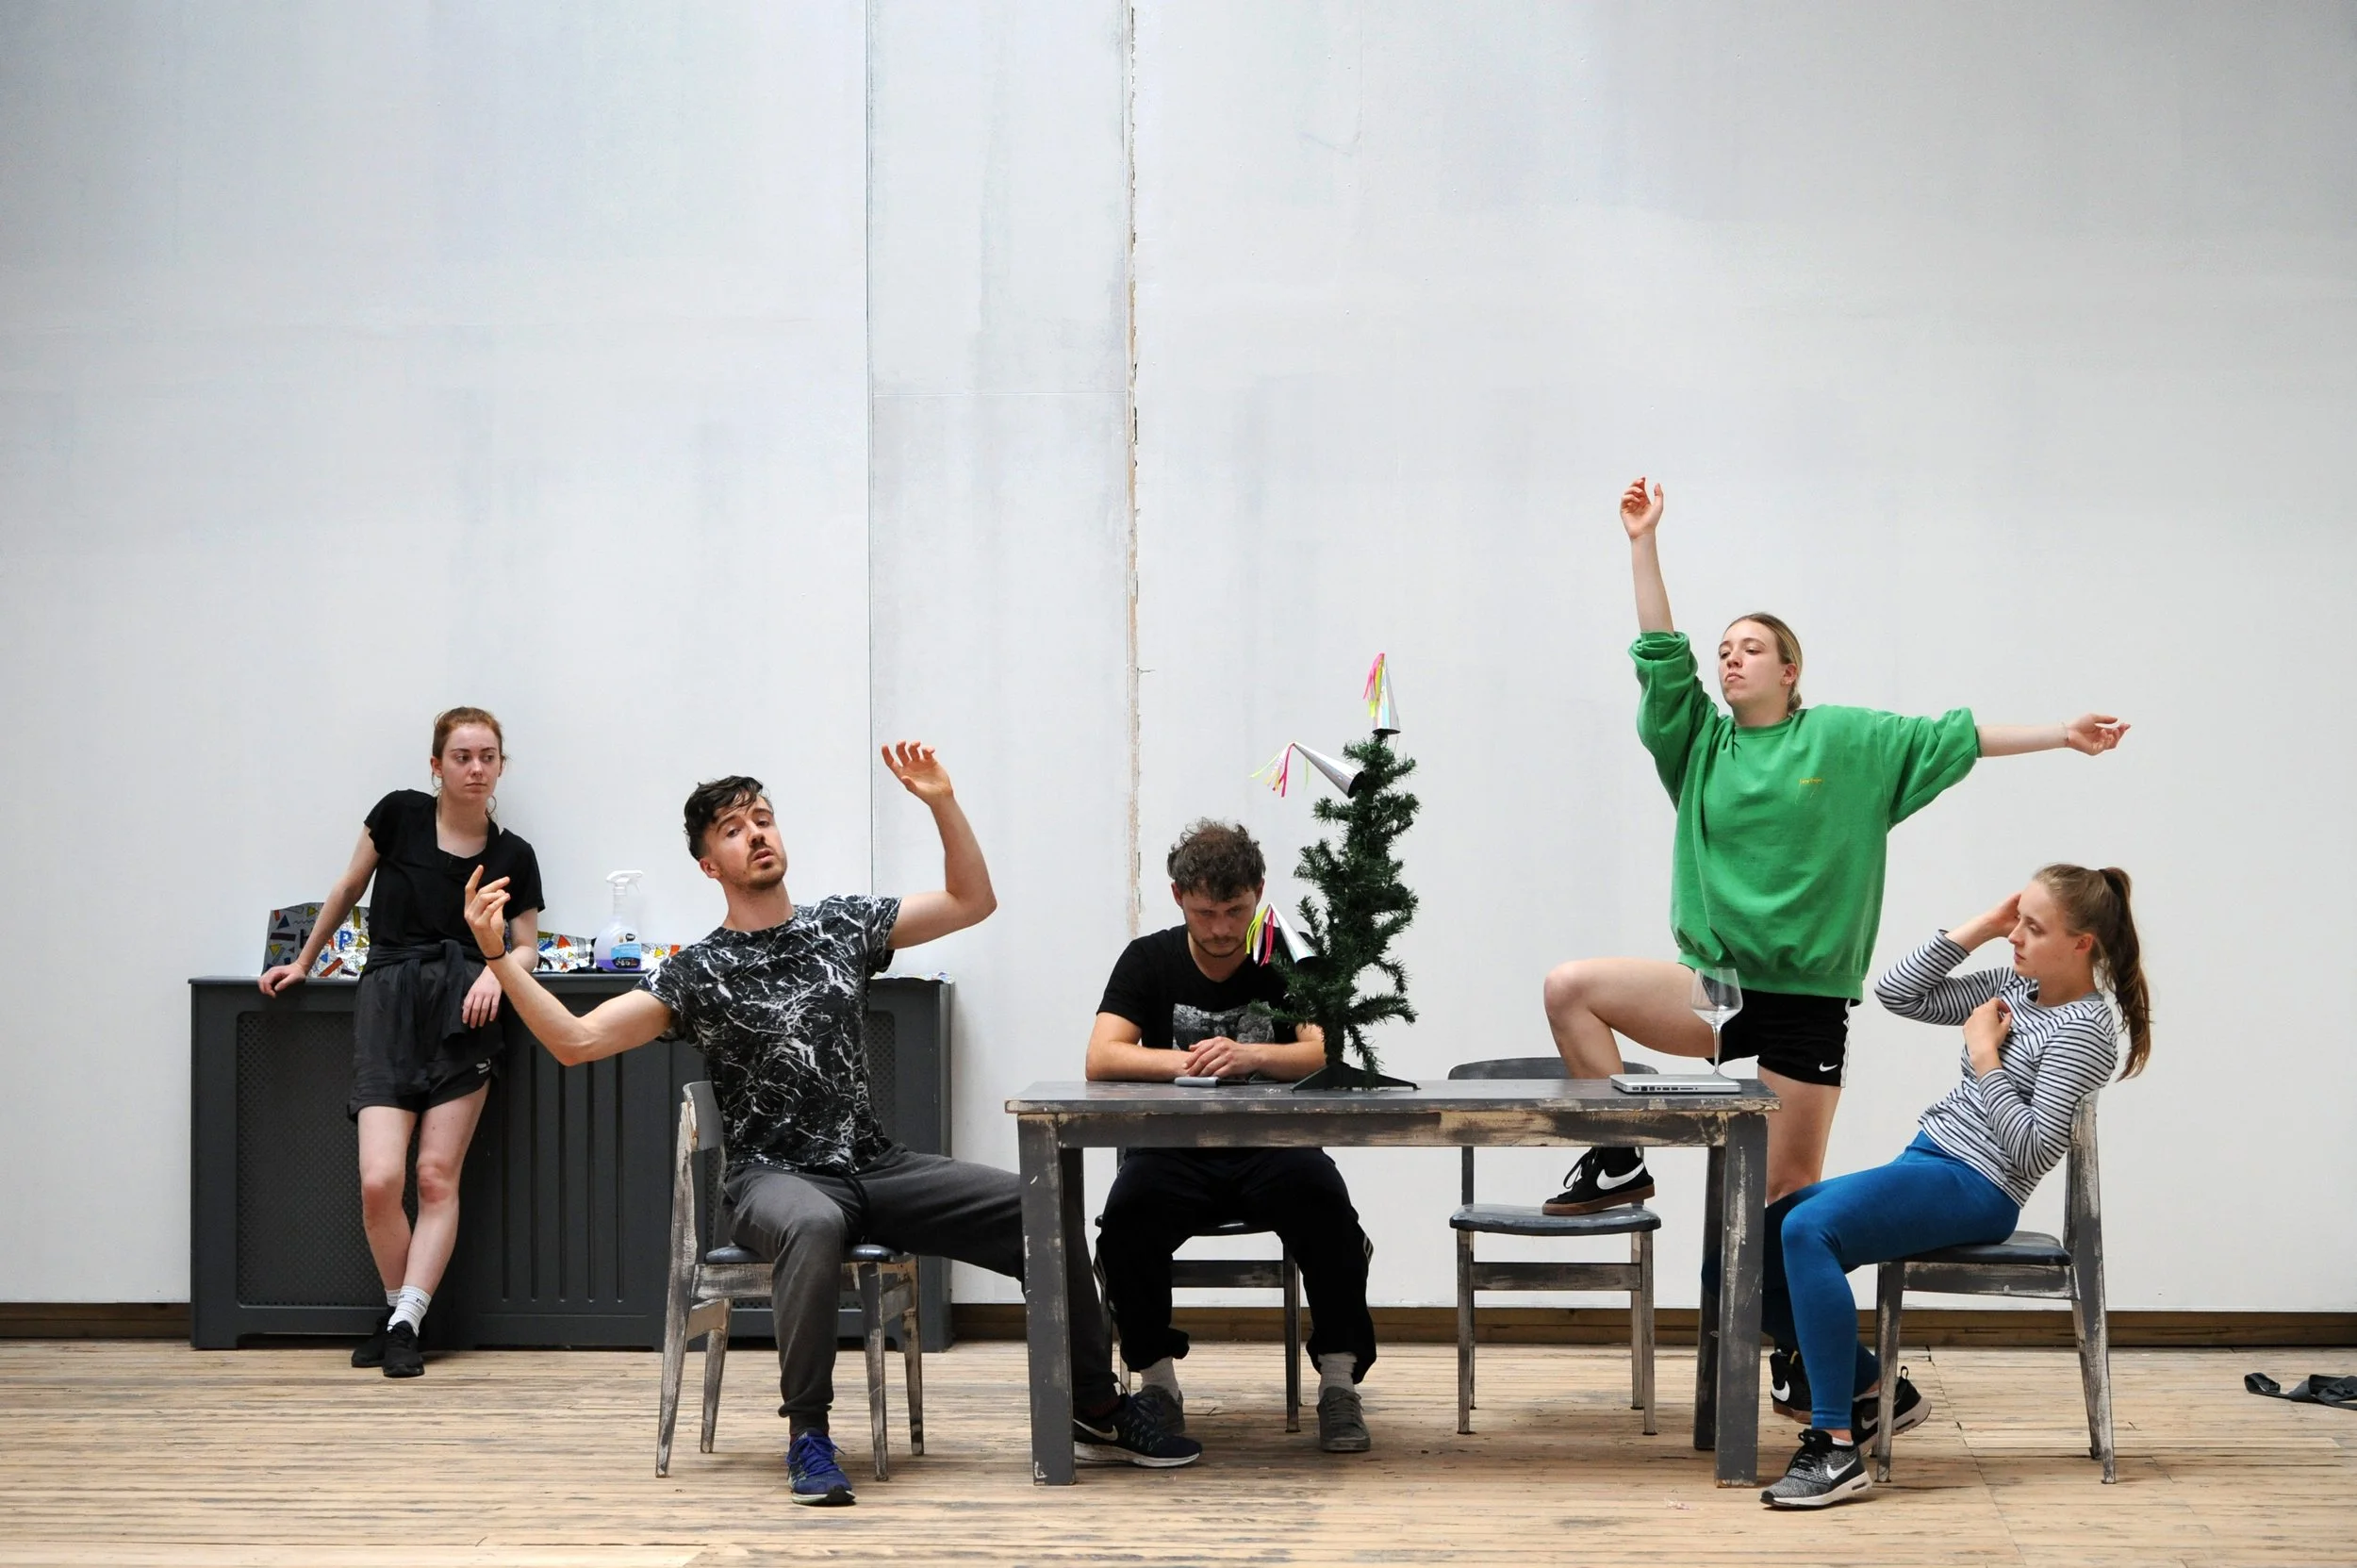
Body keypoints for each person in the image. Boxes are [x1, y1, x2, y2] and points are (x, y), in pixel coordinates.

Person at [461, 744, 1196, 1506]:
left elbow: (972, 900)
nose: (756, 833)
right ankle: (808, 1433)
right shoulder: (698, 969)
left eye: (764, 819)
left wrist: (942, 800)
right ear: (709, 863)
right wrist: (500, 958)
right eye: (733, 828)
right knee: (811, 1222)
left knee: (1034, 1205)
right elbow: (575, 1041)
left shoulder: (838, 926)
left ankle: (1093, 1401)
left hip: (873, 1167)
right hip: (771, 1181)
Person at [1540, 476, 2130, 1224]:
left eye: (1751, 648)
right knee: (1570, 987)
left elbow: (1958, 737)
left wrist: (2061, 734)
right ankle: (1620, 1158)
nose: (1731, 659)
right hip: (1716, 988)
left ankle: (1787, 1341)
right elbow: (1660, 654)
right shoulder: (1696, 745)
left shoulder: (1848, 741)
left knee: (1784, 1195)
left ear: (1790, 671)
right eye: (1723, 651)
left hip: (1809, 1001)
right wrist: (1643, 542)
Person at [1757, 864, 2150, 1507]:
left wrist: (1984, 1057)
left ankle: (1833, 1448)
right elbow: (1896, 992)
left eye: (2033, 926)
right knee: (1739, 1261)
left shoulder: (2083, 1029)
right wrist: (1984, 927)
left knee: (1807, 1229)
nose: (2017, 935)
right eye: (2017, 918)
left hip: (1979, 1186)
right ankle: (1876, 1392)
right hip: (1928, 1160)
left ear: (2084, 944)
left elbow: (2030, 1148)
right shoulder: (2013, 985)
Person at [258, 706, 542, 1379]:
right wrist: (303, 961)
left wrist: (497, 976)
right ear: (436, 763)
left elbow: (528, 946)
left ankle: (405, 1323)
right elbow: (348, 887)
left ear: (502, 765)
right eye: (463, 755)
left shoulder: (514, 854)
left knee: (434, 1176)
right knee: (381, 1179)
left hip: (466, 1013)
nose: (476, 767)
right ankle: (400, 1315)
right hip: (388, 1003)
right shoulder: (398, 813)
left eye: (488, 756)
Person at [1086, 821, 1380, 1454]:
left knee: (1328, 1210)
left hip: (1273, 1147)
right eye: (1206, 912)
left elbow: (1326, 1048)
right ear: (1177, 898)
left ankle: (1337, 1382)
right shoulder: (1149, 958)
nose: (1221, 928)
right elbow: (1102, 1055)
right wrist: (1192, 1060)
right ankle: (1157, 1384)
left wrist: (1246, 1053)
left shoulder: (1287, 952)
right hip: (1174, 1152)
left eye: (1236, 910)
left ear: (1259, 893)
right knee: (1127, 1219)